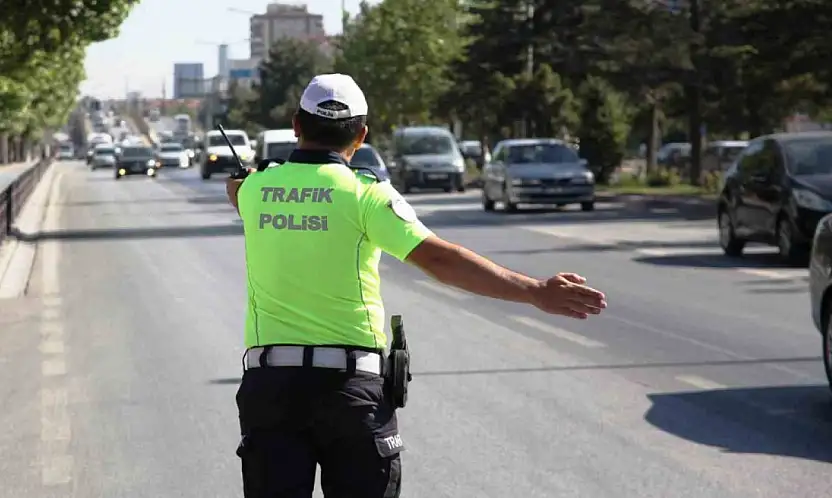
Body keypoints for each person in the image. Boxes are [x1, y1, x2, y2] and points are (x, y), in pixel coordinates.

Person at [224, 73, 607, 498]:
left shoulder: (256, 190)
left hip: (271, 392)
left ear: (296, 124)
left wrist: (249, 184)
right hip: (350, 394)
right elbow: (440, 258)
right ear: (361, 134)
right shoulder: (366, 195)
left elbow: (238, 192)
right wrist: (534, 291)